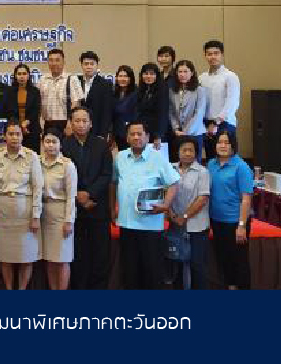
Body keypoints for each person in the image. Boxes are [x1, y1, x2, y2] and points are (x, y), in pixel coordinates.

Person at [110, 121, 180, 289]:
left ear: (147, 137)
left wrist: (166, 205)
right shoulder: (120, 157)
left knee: (152, 273)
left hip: (150, 226)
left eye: (140, 134)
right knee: (129, 273)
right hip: (127, 224)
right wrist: (112, 208)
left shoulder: (157, 157)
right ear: (127, 137)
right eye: (132, 134)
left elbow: (174, 183)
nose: (136, 137)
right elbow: (113, 183)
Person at [0, 121, 43, 290]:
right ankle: (9, 288)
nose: (14, 137)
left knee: (26, 256)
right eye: (10, 134)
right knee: (4, 255)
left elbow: (38, 188)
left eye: (17, 134)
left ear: (22, 136)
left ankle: (22, 289)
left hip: (24, 211)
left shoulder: (32, 156)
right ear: (4, 136)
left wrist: (36, 215)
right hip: (2, 211)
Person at [62, 106, 113, 290]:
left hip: (97, 207)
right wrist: (78, 195)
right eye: (77, 120)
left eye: (85, 121)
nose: (81, 124)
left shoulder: (101, 145)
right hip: (73, 210)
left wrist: (89, 193)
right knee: (77, 256)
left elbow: (107, 174)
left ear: (91, 123)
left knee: (100, 256)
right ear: (71, 123)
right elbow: (60, 175)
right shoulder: (63, 145)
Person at [207, 130, 253, 290]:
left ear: (233, 145)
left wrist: (242, 226)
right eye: (220, 142)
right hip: (216, 220)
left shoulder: (241, 167)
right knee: (224, 260)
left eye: (227, 142)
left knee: (239, 262)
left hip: (235, 222)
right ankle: (230, 288)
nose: (223, 145)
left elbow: (246, 199)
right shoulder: (211, 164)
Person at [167, 136, 210, 290]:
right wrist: (171, 215)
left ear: (196, 153)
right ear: (177, 152)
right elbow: (164, 193)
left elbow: (202, 198)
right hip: (175, 224)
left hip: (196, 226)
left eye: (191, 150)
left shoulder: (203, 172)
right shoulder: (169, 169)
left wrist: (184, 217)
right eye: (184, 150)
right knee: (176, 263)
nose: (187, 153)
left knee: (197, 265)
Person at [39, 128, 77, 290]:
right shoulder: (37, 163)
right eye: (47, 141)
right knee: (50, 258)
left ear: (60, 144)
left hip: (61, 214)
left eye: (54, 142)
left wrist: (69, 221)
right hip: (43, 214)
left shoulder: (67, 165)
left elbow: (71, 196)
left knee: (62, 259)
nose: (50, 145)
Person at [200, 40, 241, 161]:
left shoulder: (230, 76)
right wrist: (207, 125)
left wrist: (216, 123)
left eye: (216, 53)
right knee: (211, 160)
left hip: (225, 124)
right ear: (205, 56)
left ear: (222, 55)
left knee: (227, 161)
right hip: (207, 125)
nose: (213, 56)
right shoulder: (201, 78)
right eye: (209, 54)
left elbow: (232, 103)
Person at [38, 49, 84, 136]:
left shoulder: (72, 78)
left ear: (63, 62)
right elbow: (39, 104)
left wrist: (71, 122)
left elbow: (76, 104)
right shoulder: (42, 80)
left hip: (66, 124)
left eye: (57, 60)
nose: (54, 63)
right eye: (51, 60)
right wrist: (40, 123)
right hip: (47, 124)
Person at [169, 60, 207, 162]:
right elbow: (171, 112)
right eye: (180, 72)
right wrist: (176, 128)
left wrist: (186, 132)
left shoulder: (200, 90)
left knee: (194, 163)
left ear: (192, 73)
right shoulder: (172, 90)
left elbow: (199, 113)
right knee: (179, 163)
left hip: (194, 133)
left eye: (185, 71)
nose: (182, 74)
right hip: (178, 133)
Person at [78, 51, 113, 139]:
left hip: (97, 129)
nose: (89, 67)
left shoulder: (105, 84)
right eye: (86, 64)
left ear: (97, 65)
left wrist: (103, 133)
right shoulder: (76, 82)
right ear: (81, 65)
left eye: (92, 64)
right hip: (78, 128)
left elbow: (106, 111)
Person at [136, 63, 169, 151]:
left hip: (156, 133)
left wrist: (158, 136)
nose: (148, 76)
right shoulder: (141, 89)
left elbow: (163, 113)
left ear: (157, 76)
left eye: (152, 74)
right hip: (143, 131)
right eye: (146, 73)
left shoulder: (162, 89)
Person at [9, 64, 41, 153]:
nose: (22, 76)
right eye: (19, 74)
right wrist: (19, 125)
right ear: (15, 76)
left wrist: (26, 123)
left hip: (31, 129)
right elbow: (9, 111)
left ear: (28, 75)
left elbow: (36, 110)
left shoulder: (35, 91)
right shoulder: (10, 91)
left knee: (32, 155)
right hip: (15, 130)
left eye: (24, 74)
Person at [112, 65, 138, 151]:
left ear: (130, 78)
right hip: (118, 133)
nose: (122, 79)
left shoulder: (136, 92)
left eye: (125, 76)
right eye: (120, 76)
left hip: (132, 133)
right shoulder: (114, 92)